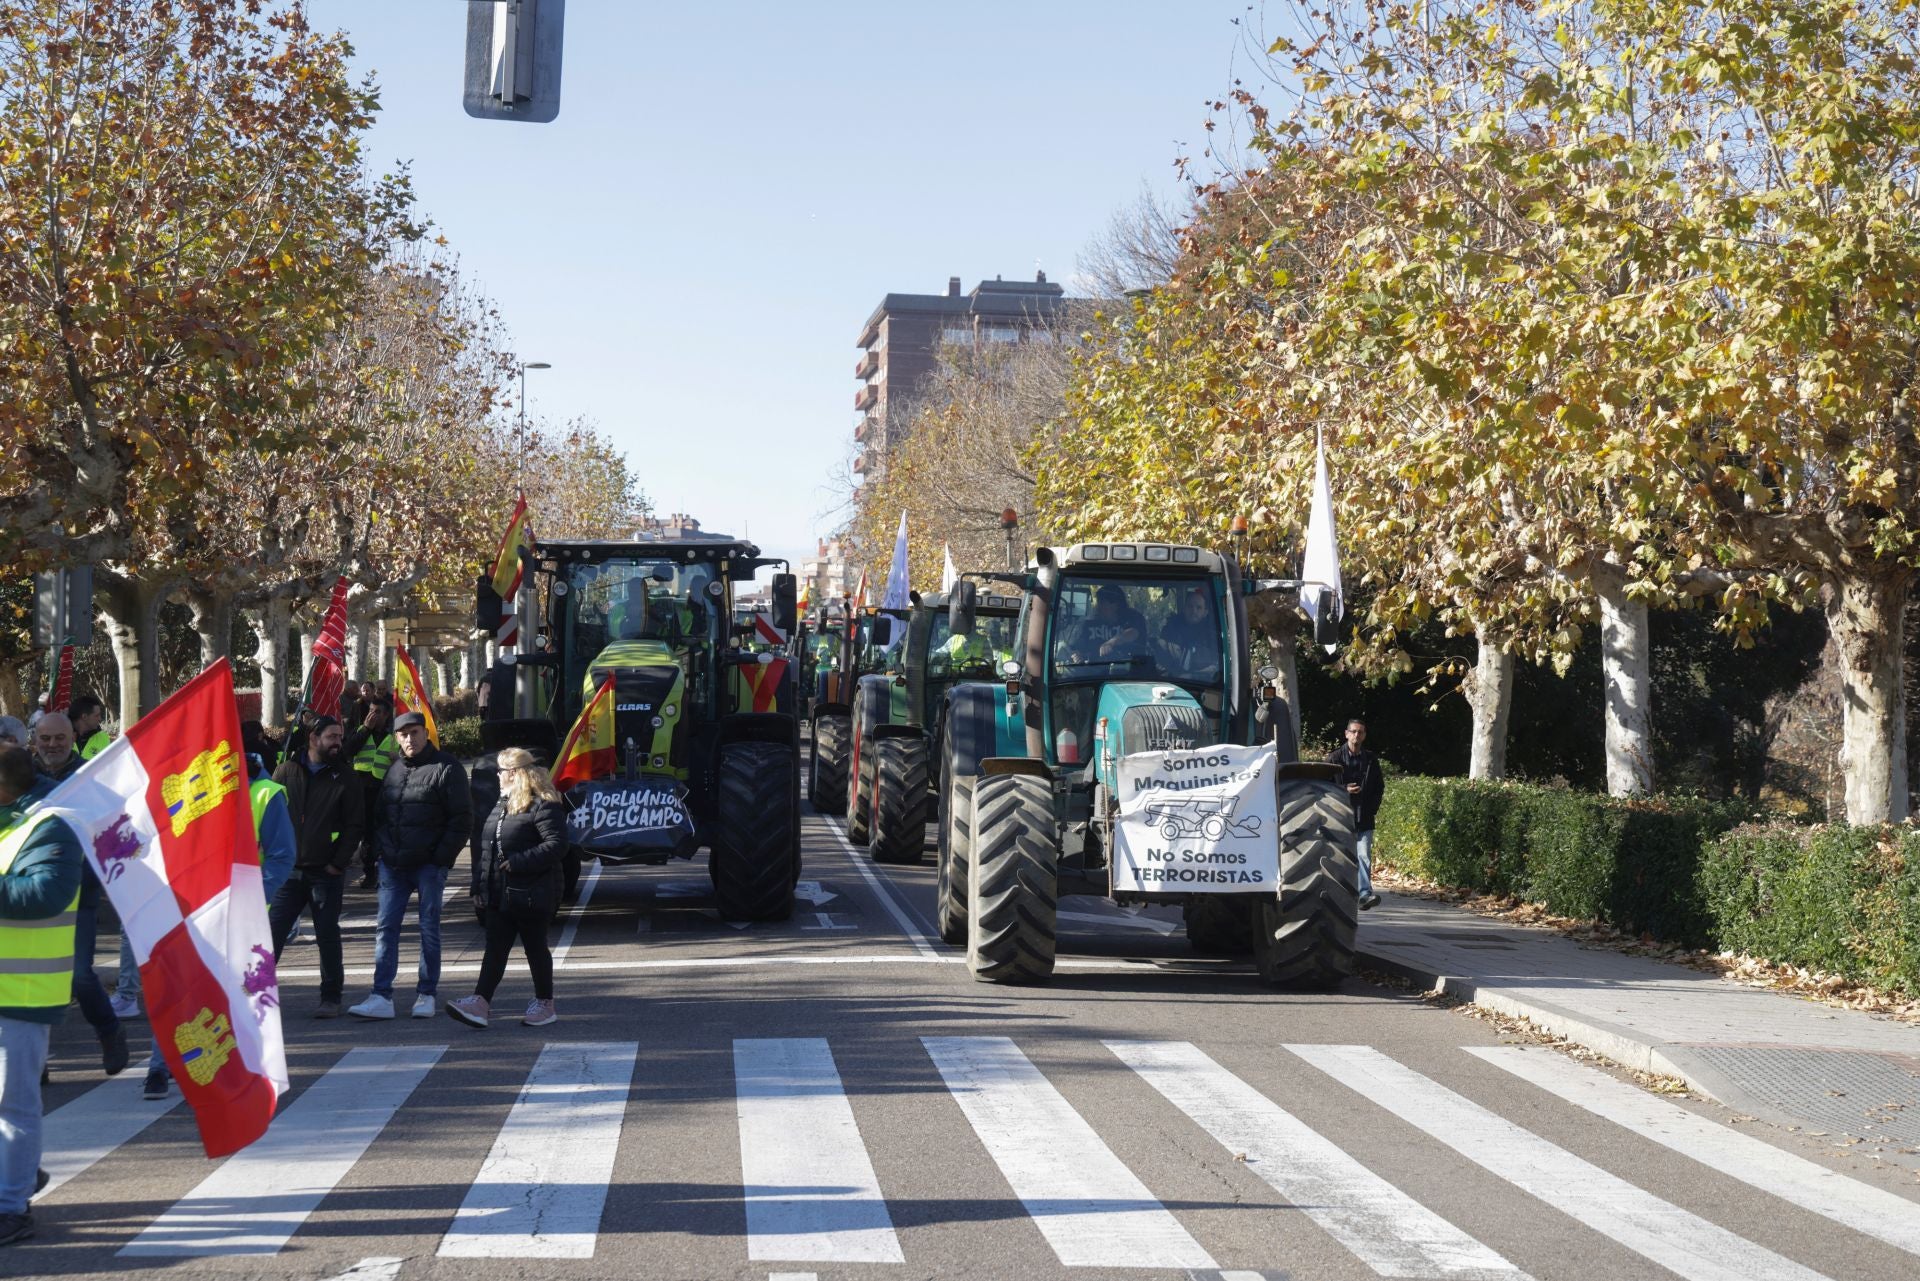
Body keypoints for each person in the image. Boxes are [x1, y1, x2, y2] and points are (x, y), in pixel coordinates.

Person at [143, 751, 295, 1100]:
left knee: (241, 995)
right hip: (188, 910)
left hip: (244, 916)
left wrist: (252, 897)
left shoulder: (265, 794)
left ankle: (246, 1069)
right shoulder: (185, 789)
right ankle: (159, 1067)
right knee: (177, 989)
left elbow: (283, 856)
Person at [0, 744, 85, 1245]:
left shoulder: (51, 825)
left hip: (22, 993)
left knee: (14, 1107)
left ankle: (11, 1208)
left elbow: (47, 895)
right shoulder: (12, 819)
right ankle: (19, 1173)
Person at [349, 713, 470, 1022]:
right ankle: (381, 996)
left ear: (425, 733)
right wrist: (378, 853)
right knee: (385, 929)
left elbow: (461, 819)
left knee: (428, 929)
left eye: (414, 732)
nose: (408, 739)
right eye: (402, 734)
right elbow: (380, 815)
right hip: (393, 865)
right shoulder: (393, 770)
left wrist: (441, 857)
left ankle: (426, 994)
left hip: (428, 865)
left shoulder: (446, 767)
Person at [448, 748, 564, 1030]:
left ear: (514, 774)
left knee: (535, 949)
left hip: (531, 893)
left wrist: (520, 862)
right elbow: (486, 847)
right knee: (495, 949)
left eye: (501, 772)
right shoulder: (503, 803)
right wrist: (478, 885)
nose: (497, 777)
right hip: (500, 894)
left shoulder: (544, 804)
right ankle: (480, 1003)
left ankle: (544, 1004)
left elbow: (557, 845)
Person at [267, 718, 365, 1018]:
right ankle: (255, 992)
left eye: (340, 736)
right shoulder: (286, 771)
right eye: (331, 736)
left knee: (327, 935)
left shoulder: (346, 777)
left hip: (325, 873)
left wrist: (338, 863)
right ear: (314, 738)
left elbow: (355, 824)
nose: (337, 742)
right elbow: (269, 812)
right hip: (288, 872)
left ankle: (331, 998)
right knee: (271, 935)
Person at [1328, 718, 1384, 910]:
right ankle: (1335, 894)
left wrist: (1371, 810)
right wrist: (1344, 789)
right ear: (1346, 734)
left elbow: (1379, 787)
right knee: (1336, 857)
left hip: (1364, 818)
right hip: (1339, 817)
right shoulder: (1334, 759)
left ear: (1364, 735)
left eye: (1360, 732)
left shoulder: (1371, 760)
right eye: (1353, 732)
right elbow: (1323, 787)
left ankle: (1364, 894)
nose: (1356, 735)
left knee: (1364, 856)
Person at [343, 696, 395, 888]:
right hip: (360, 790)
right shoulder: (361, 731)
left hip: (382, 791)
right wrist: (365, 729)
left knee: (376, 834)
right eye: (371, 711)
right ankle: (368, 872)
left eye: (378, 712)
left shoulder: (392, 737)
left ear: (386, 715)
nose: (373, 715)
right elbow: (348, 750)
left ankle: (377, 871)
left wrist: (397, 759)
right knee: (360, 832)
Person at [1064, 585, 1150, 664]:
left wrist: (1111, 642)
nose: (1098, 607)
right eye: (1098, 602)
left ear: (1116, 605)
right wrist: (1077, 657)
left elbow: (1133, 633)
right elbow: (1074, 648)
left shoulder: (1132, 617)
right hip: (1093, 676)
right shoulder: (1089, 622)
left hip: (1131, 675)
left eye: (1102, 603)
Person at [1158, 587, 1222, 678]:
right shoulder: (1170, 629)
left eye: (1198, 608)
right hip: (1169, 681)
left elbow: (1215, 668)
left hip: (1201, 686)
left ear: (1205, 612)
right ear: (1184, 608)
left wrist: (1192, 676)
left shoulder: (1212, 637)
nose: (1193, 611)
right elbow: (1160, 658)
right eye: (1190, 606)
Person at [67, 694, 112, 760]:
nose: (100, 719)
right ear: (84, 717)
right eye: (97, 715)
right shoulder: (62, 736)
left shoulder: (104, 738)